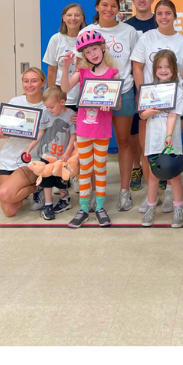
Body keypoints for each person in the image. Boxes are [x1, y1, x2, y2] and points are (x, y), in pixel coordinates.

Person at [131, 0, 183, 210]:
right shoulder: (147, 38)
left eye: (168, 13)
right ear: (155, 16)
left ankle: (169, 191)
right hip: (150, 102)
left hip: (173, 103)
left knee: (171, 147)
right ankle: (151, 195)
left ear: (174, 16)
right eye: (159, 13)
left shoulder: (182, 41)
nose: (164, 17)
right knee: (148, 148)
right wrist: (143, 96)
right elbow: (138, 68)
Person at [84, 0, 140, 212]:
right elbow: (82, 64)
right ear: (97, 6)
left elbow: (136, 64)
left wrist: (137, 90)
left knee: (124, 142)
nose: (109, 9)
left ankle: (124, 191)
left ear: (119, 9)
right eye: (104, 5)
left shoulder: (129, 31)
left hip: (123, 91)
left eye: (113, 6)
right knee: (93, 145)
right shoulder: (87, 32)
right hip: (93, 96)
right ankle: (91, 193)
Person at [60, 28, 120, 228]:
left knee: (100, 168)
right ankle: (84, 208)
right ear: (83, 55)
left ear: (103, 48)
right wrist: (67, 66)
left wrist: (110, 103)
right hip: (84, 130)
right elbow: (65, 89)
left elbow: (118, 104)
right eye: (87, 52)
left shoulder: (113, 72)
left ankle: (100, 207)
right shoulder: (82, 71)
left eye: (95, 49)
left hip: (102, 130)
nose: (92, 54)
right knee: (85, 170)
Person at [138, 49, 183, 228]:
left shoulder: (177, 90)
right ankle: (151, 208)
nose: (163, 70)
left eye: (167, 67)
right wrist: (147, 113)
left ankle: (178, 208)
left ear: (174, 68)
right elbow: (142, 116)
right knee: (153, 175)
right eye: (159, 67)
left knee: (174, 176)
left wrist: (168, 135)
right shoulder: (150, 89)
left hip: (170, 139)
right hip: (153, 139)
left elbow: (173, 116)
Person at [0, 67, 47, 217]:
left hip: (31, 161)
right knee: (10, 211)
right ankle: (32, 187)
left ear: (43, 83)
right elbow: (7, 133)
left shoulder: (48, 105)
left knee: (4, 194)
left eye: (34, 81)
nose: (29, 85)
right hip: (9, 157)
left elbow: (62, 118)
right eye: (26, 81)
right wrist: (1, 134)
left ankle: (36, 187)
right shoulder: (15, 101)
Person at [123, 0, 156, 192]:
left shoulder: (160, 21)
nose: (142, 0)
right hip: (135, 85)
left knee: (159, 128)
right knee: (135, 131)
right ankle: (137, 167)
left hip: (159, 88)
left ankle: (158, 169)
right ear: (133, 1)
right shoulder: (126, 27)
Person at [29, 86, 77, 221]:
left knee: (63, 180)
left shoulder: (70, 115)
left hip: (62, 156)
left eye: (51, 107)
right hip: (47, 155)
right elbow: (40, 133)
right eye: (47, 107)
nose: (49, 109)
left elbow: (73, 136)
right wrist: (29, 147)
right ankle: (48, 204)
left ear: (62, 102)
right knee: (47, 180)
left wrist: (67, 153)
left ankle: (64, 199)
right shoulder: (45, 113)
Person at [43, 2, 88, 111]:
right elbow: (52, 69)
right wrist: (53, 94)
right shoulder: (56, 39)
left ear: (82, 18)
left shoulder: (88, 38)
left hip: (83, 96)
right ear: (63, 18)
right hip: (62, 97)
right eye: (69, 15)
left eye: (77, 15)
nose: (73, 18)